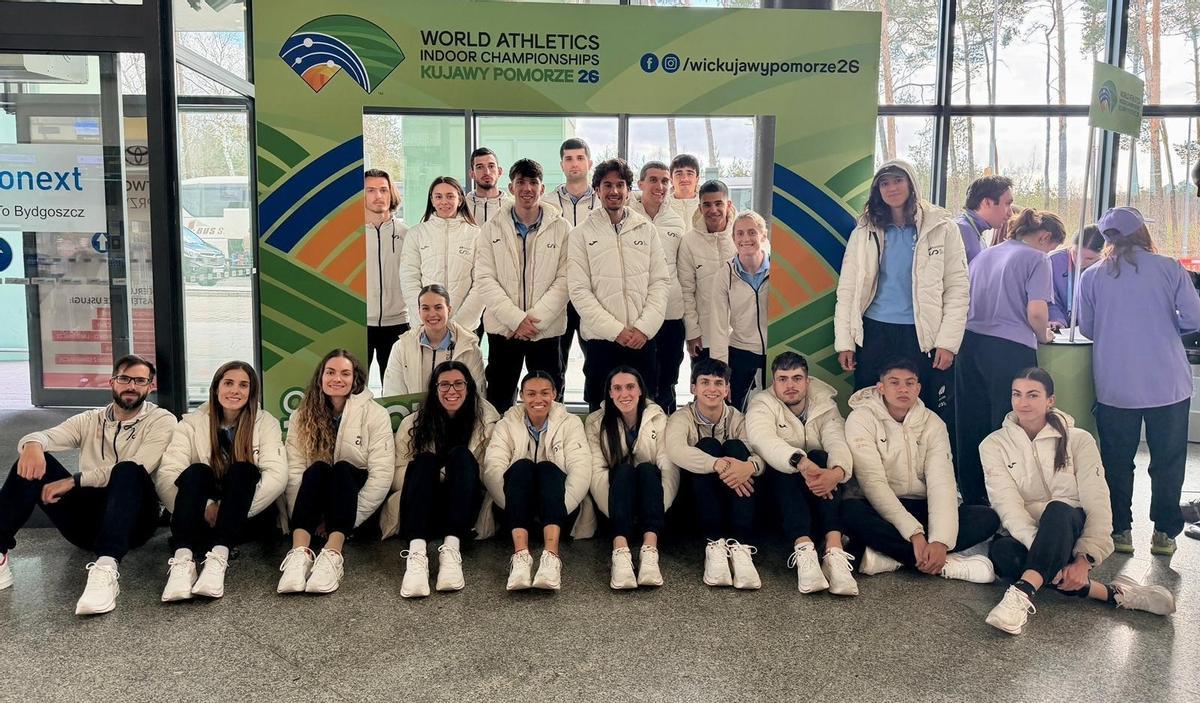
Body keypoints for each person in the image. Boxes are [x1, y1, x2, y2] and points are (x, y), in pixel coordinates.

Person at [981, 367, 1176, 635]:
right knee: (1003, 555)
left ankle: (1021, 594)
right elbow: (1007, 505)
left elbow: (1097, 502)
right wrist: (1041, 546)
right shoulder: (992, 445)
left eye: (1033, 395)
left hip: (1069, 529)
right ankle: (1113, 594)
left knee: (1057, 510)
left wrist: (1084, 560)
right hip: (1027, 535)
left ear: (1050, 400)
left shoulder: (1080, 440)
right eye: (1017, 394)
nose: (1023, 403)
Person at [0, 354, 176, 615]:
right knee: (31, 463)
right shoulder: (90, 419)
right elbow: (47, 435)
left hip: (135, 520)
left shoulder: (162, 421)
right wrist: (32, 444)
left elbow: (142, 464)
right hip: (86, 522)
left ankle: (106, 568)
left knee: (128, 470)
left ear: (150, 386)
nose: (131, 386)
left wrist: (75, 481)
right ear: (112, 382)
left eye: (140, 381)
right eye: (124, 378)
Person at [1077, 206, 1200, 556]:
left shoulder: (1092, 276)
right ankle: (1164, 533)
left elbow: (1087, 328)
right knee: (1168, 459)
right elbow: (1194, 317)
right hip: (1167, 382)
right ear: (1144, 232)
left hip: (1116, 383)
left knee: (1116, 460)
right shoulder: (1170, 268)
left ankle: (1120, 532)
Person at [834, 160, 968, 436]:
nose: (891, 188)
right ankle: (869, 474)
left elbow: (957, 288)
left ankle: (923, 474)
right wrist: (845, 341)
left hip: (923, 336)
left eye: (898, 180)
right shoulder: (864, 230)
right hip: (874, 332)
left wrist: (948, 343)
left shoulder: (942, 227)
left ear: (911, 184)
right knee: (868, 406)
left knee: (925, 409)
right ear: (877, 190)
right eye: (884, 183)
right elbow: (848, 289)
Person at [842, 358, 1000, 585]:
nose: (903, 389)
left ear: (918, 388)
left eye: (910, 383)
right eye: (894, 382)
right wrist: (915, 534)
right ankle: (944, 564)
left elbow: (941, 483)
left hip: (921, 506)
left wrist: (940, 541)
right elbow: (872, 483)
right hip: (878, 506)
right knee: (849, 512)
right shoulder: (861, 418)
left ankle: (895, 558)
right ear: (881, 387)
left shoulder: (933, 423)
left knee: (986, 518)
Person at [955, 208, 1064, 506]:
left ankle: (972, 494)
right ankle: (1004, 498)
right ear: (1044, 237)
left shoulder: (985, 255)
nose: (1049, 252)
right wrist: (1045, 336)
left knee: (970, 421)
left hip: (970, 344)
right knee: (1009, 423)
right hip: (1011, 348)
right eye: (1051, 247)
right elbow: (1037, 312)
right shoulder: (1037, 259)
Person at [156, 361, 287, 601]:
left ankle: (218, 558)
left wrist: (229, 510)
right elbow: (167, 474)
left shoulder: (265, 423)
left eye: (243, 385)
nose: (235, 391)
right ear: (216, 388)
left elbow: (277, 476)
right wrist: (206, 507)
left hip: (247, 516)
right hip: (201, 515)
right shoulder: (190, 424)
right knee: (196, 471)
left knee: (244, 470)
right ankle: (183, 561)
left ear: (252, 392)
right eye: (228, 383)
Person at [278, 349, 395, 595]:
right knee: (317, 468)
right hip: (313, 506)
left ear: (356, 380)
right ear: (321, 377)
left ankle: (333, 554)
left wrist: (344, 519)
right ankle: (299, 554)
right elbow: (295, 472)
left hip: (353, 505)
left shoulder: (375, 414)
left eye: (345, 373)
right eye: (330, 372)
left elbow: (381, 476)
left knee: (342, 468)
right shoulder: (302, 414)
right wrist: (306, 517)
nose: (337, 379)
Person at [381, 361, 500, 598]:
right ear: (435, 389)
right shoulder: (412, 423)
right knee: (425, 461)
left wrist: (451, 474)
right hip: (424, 504)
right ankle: (416, 556)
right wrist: (436, 473)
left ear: (469, 387)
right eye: (444, 385)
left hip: (465, 510)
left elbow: (491, 471)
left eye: (458, 384)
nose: (451, 391)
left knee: (462, 457)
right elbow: (396, 475)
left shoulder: (489, 422)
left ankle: (451, 554)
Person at [745, 352, 856, 595]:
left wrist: (835, 474)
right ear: (773, 383)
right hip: (778, 498)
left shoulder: (825, 403)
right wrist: (801, 463)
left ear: (808, 381)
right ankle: (803, 549)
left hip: (818, 494)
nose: (790, 385)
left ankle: (833, 551)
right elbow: (762, 440)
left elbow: (838, 441)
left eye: (797, 378)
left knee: (822, 458)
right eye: (782, 379)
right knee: (783, 464)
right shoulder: (762, 403)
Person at [567, 158, 670, 411]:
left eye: (620, 185)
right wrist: (616, 331)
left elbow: (660, 282)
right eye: (607, 185)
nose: (614, 191)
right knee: (600, 410)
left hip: (641, 339)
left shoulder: (646, 230)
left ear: (628, 190)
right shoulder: (581, 234)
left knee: (644, 410)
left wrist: (643, 329)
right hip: (601, 341)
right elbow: (579, 290)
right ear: (597, 190)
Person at [474, 158, 570, 411]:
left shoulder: (561, 228)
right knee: (499, 397)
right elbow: (484, 278)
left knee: (548, 399)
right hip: (505, 330)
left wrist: (533, 321)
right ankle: (500, 449)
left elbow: (566, 279)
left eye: (533, 182)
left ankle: (549, 449)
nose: (527, 188)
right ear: (511, 187)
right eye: (521, 182)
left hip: (545, 331)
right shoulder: (490, 228)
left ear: (542, 188)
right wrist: (516, 320)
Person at [482, 372, 592, 591]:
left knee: (547, 468)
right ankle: (521, 557)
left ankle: (551, 556)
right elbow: (493, 470)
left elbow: (581, 470)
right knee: (522, 466)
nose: (538, 399)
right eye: (531, 394)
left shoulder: (570, 423)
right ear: (522, 395)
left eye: (545, 393)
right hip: (513, 511)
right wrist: (515, 505)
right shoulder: (506, 423)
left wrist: (556, 508)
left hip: (557, 511)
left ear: (555, 394)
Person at [666, 357, 764, 590]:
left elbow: (763, 452)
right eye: (705, 382)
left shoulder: (738, 418)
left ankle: (741, 546)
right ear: (693, 388)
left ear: (728, 389)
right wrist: (716, 464)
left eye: (719, 383)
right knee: (708, 445)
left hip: (733, 499)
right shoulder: (681, 418)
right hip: (695, 502)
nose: (712, 389)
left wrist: (748, 467)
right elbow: (675, 450)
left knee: (737, 449)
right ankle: (715, 544)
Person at [586, 366, 678, 590]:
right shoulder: (595, 422)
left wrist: (659, 507)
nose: (624, 394)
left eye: (630, 387)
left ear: (640, 391)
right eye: (617, 388)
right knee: (624, 470)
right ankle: (620, 550)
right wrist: (615, 511)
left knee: (647, 468)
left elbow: (668, 467)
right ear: (609, 393)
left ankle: (649, 550)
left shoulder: (658, 418)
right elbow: (596, 474)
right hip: (616, 500)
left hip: (653, 500)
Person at [630, 160, 688, 413]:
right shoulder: (627, 218)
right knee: (639, 382)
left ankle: (667, 442)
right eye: (653, 180)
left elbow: (683, 271)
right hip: (638, 316)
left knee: (667, 383)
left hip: (671, 316)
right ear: (640, 184)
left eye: (665, 180)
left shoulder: (677, 222)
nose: (660, 186)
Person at [543, 138, 597, 387]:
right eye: (568, 159)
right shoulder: (547, 204)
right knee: (554, 367)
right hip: (559, 297)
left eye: (579, 158)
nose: (574, 164)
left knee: (596, 365)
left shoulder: (603, 202)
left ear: (589, 162)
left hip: (593, 295)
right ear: (561, 165)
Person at [400, 176, 483, 331]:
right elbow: (409, 279)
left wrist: (460, 324)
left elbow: (481, 282)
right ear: (432, 200)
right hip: (424, 326)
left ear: (460, 200)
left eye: (450, 196)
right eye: (438, 197)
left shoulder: (476, 235)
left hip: (465, 327)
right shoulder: (416, 234)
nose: (444, 202)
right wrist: (425, 317)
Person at [709, 210, 770, 412]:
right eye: (740, 233)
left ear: (763, 235)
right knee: (736, 410)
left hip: (775, 349)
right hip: (741, 351)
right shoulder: (724, 275)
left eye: (752, 232)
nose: (746, 239)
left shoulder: (779, 270)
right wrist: (721, 375)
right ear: (734, 238)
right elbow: (718, 326)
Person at [382, 284, 485, 398]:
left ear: (449, 310)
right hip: (413, 415)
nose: (432, 314)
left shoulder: (469, 349)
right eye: (425, 308)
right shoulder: (401, 348)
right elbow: (393, 394)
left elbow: (478, 398)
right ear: (419, 311)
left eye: (438, 307)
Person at [679, 179, 736, 361]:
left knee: (739, 389)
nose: (713, 210)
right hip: (705, 337)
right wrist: (692, 332)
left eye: (718, 204)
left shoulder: (742, 236)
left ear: (728, 205)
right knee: (706, 388)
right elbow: (686, 291)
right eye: (707, 205)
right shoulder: (689, 242)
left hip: (739, 336)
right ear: (700, 207)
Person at [364, 169, 409, 380]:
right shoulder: (350, 235)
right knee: (353, 390)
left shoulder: (407, 234)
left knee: (395, 389)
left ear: (392, 193)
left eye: (383, 189)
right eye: (370, 190)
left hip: (398, 323)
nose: (378, 196)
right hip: (359, 323)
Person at [1047, 225, 1104, 330]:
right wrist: (1056, 320)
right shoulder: (1052, 261)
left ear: (1102, 255)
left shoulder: (1106, 268)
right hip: (1058, 326)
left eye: (1089, 258)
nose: (1080, 261)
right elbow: (1049, 299)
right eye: (1076, 253)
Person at [955, 175, 1014, 264]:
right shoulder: (960, 230)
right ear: (986, 202)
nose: (1010, 213)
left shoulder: (973, 231)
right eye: (1007, 204)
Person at [466, 147, 511, 225]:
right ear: (472, 174)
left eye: (491, 166)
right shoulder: (462, 207)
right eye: (480, 167)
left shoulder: (512, 207)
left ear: (499, 171)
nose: (486, 172)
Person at [668, 153, 701, 223]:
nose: (684, 178)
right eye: (679, 174)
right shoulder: (662, 206)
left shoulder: (707, 205)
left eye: (690, 174)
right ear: (671, 179)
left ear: (697, 179)